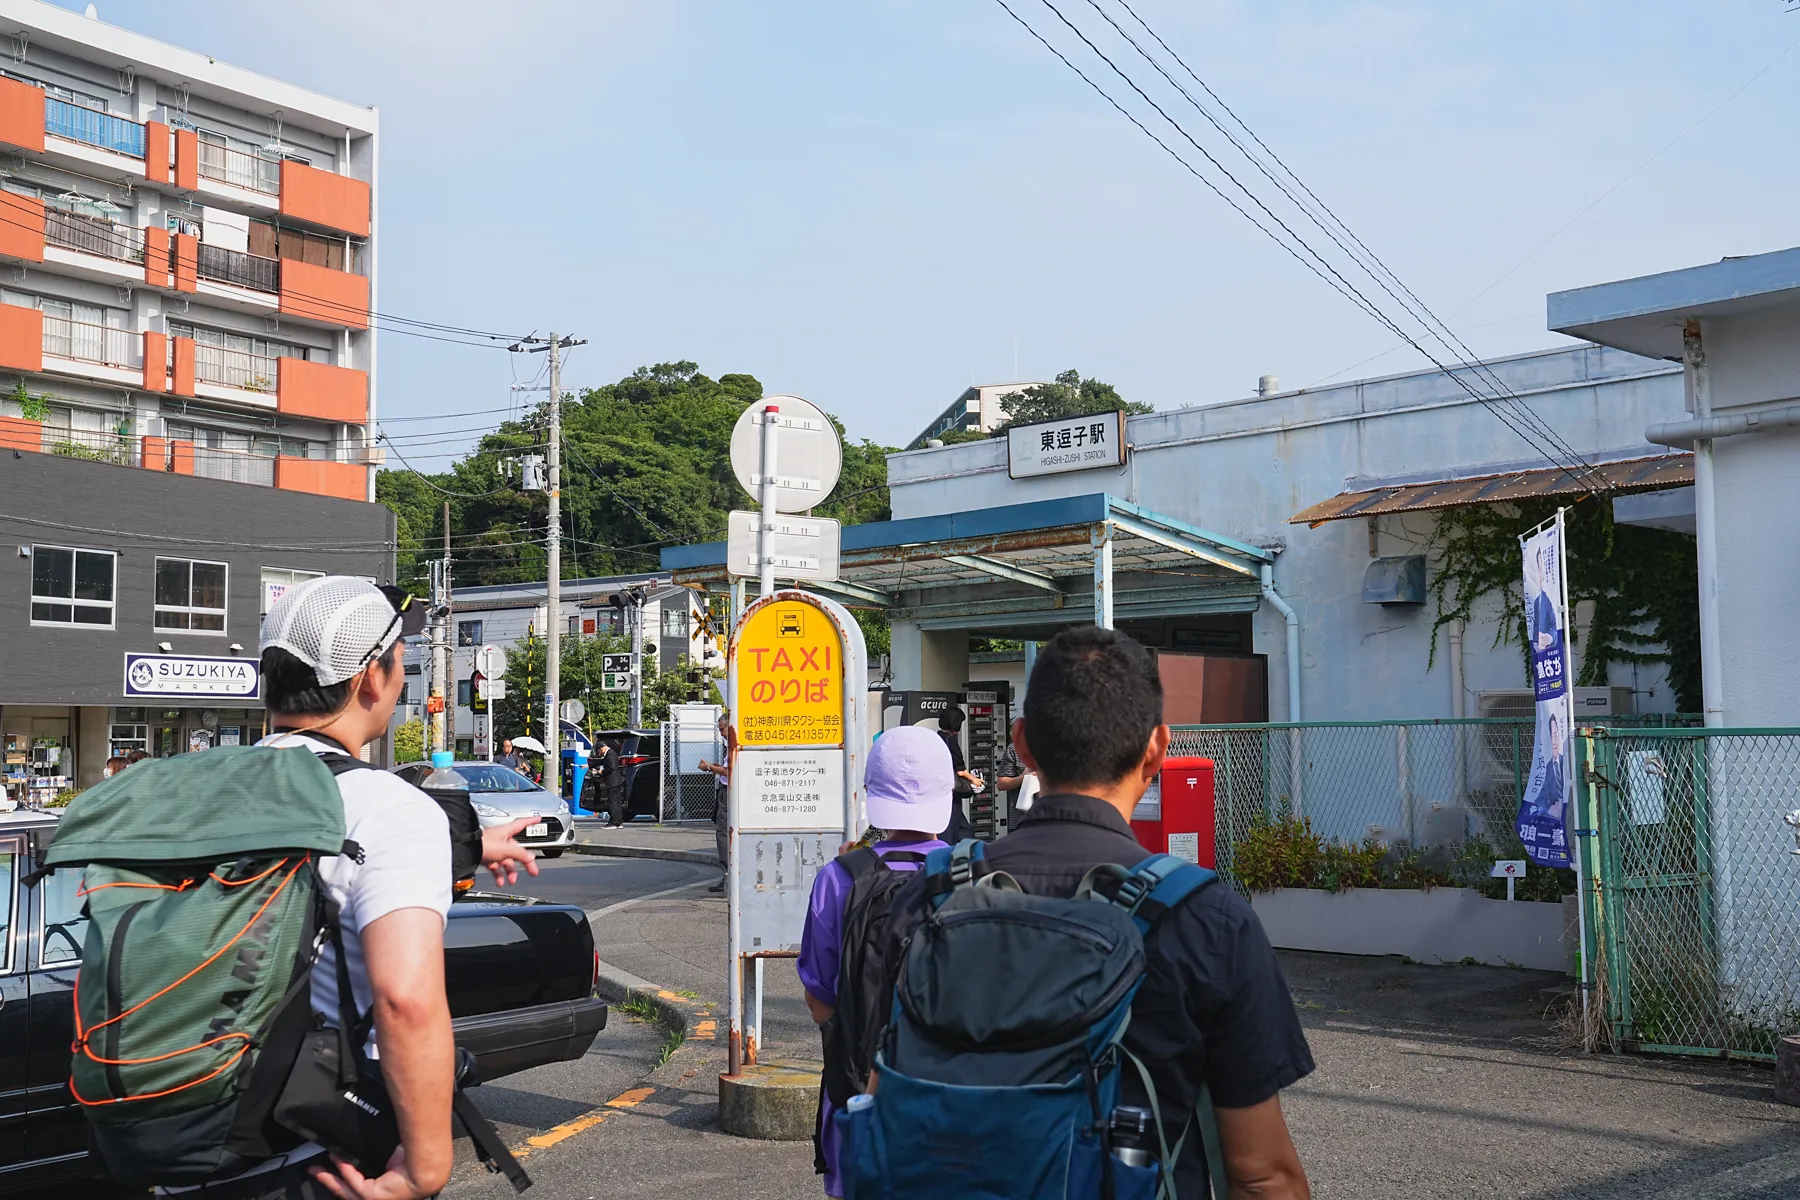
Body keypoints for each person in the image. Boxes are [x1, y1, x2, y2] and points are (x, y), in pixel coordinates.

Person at [882, 626, 1314, 1198]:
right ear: (1158, 749)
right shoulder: (1207, 919)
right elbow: (1262, 1176)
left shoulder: (931, 896)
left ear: (1022, 742)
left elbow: (882, 1102)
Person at [210, 576, 533, 1200]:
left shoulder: (199, 789)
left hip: (175, 1139)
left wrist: (472, 844)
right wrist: (425, 1167)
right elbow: (406, 1000)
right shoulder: (388, 805)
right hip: (314, 1158)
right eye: (401, 662)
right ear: (370, 681)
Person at [798, 726, 951, 1199]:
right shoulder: (973, 873)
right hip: (951, 1099)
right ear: (945, 792)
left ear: (871, 795)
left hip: (857, 1095)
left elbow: (818, 995)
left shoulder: (838, 878)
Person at [698, 713, 734, 893]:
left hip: (729, 792)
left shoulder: (735, 745)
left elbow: (731, 771)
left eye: (723, 730)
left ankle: (728, 873)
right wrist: (714, 766)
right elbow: (728, 768)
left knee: (723, 833)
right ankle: (728, 874)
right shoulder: (732, 745)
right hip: (725, 790)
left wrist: (711, 767)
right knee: (724, 830)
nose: (721, 734)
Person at [934, 708, 978, 844]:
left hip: (938, 793)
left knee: (964, 832)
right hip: (951, 795)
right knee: (950, 834)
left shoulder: (935, 738)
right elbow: (960, 770)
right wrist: (974, 780)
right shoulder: (950, 741)